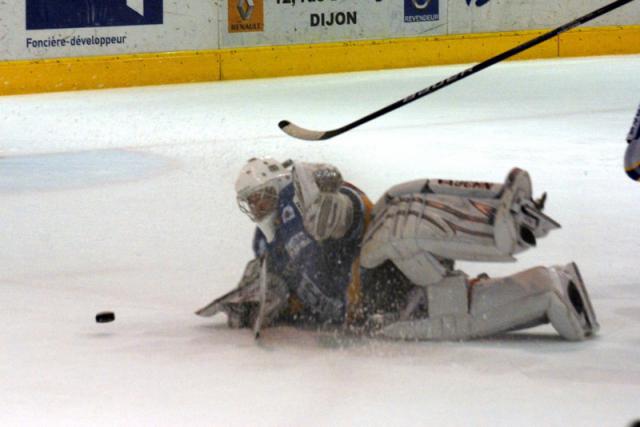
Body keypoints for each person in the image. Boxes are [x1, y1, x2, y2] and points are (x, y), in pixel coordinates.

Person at [196, 158, 599, 341]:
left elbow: (354, 211)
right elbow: (281, 288)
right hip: (368, 311)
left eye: (262, 197)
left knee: (399, 228)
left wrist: (337, 203)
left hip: (377, 279)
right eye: (252, 202)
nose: (258, 208)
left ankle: (523, 255)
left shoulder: (302, 201)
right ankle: (551, 285)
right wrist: (254, 299)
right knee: (445, 305)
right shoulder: (271, 244)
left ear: (276, 187)